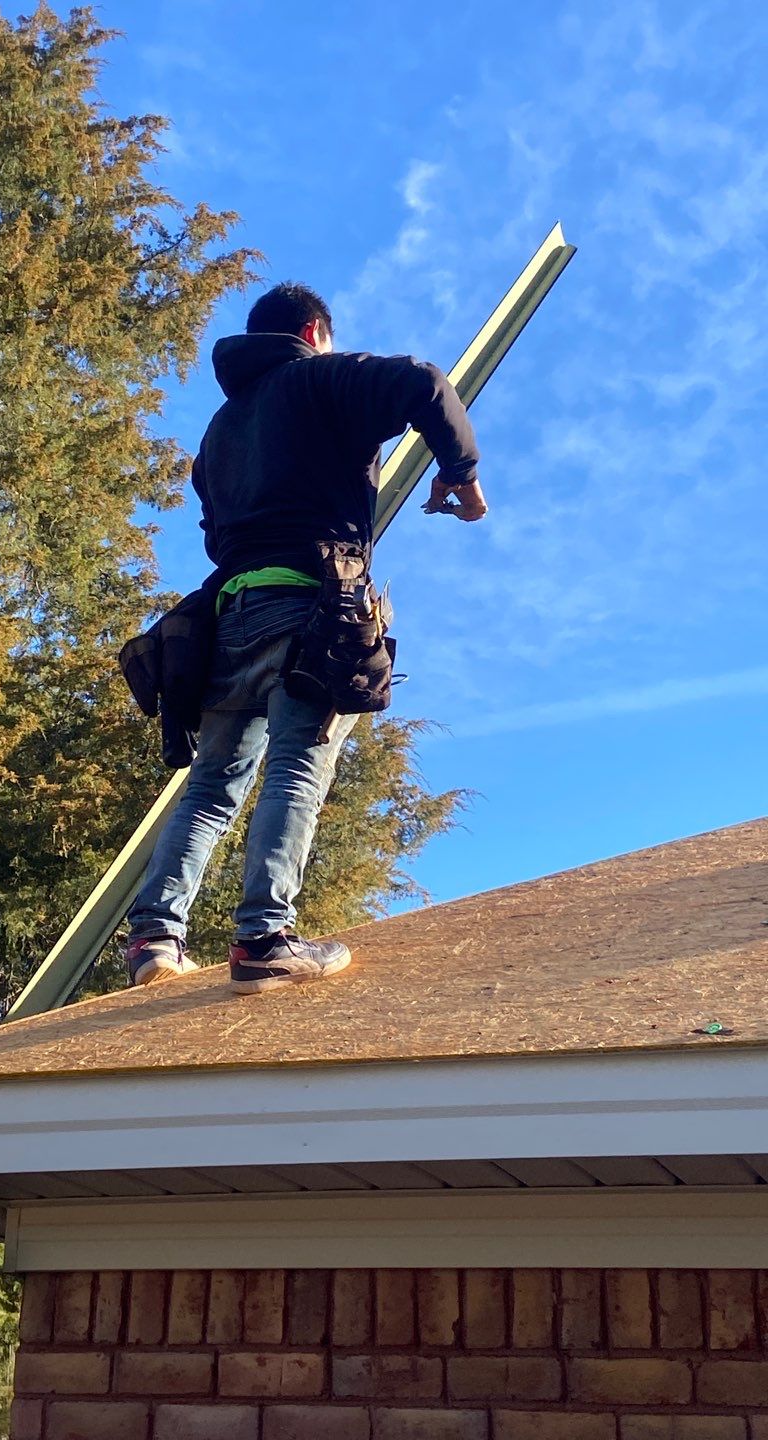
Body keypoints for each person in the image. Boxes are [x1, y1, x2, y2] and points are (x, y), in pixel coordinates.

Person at [125, 283, 485, 994]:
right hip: (311, 608)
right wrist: (461, 474)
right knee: (297, 763)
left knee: (210, 788)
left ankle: (153, 940)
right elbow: (423, 382)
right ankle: (264, 938)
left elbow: (214, 533)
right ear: (315, 331)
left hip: (228, 616)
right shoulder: (321, 378)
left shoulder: (220, 433)